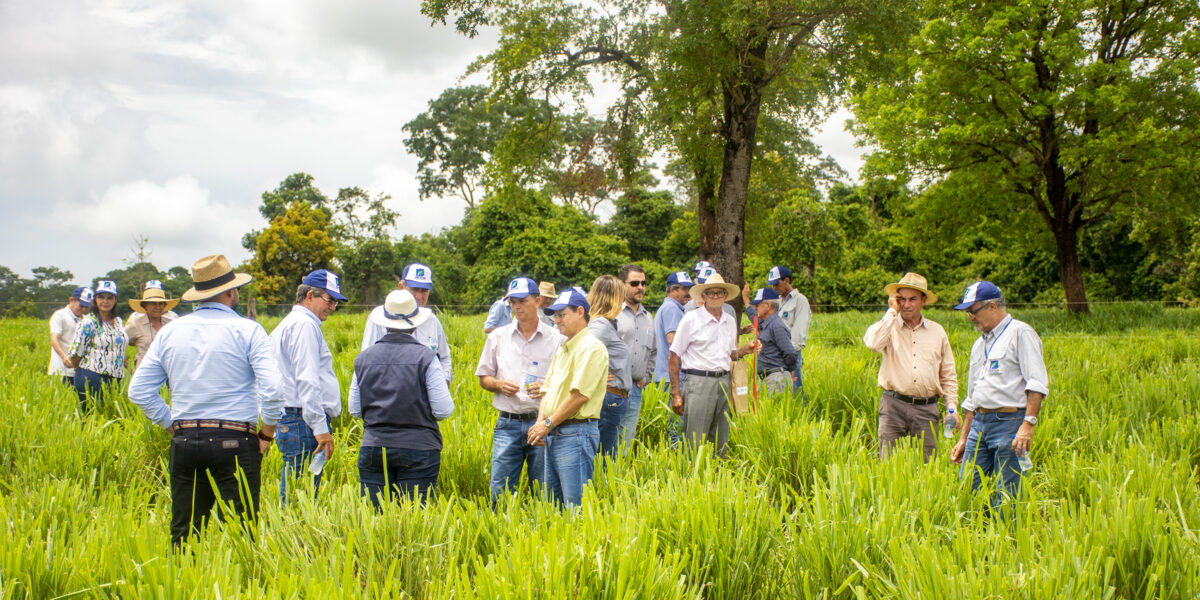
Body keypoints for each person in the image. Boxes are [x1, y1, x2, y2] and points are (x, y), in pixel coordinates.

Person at [127, 254, 283, 546]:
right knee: (241, 534)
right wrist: (267, 434)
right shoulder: (248, 330)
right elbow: (273, 389)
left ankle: (182, 574)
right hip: (236, 439)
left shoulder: (170, 332)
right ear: (230, 292)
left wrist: (171, 425)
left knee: (184, 533)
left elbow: (138, 391)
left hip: (186, 439)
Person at [950, 281, 1048, 516]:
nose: (970, 318)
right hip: (979, 425)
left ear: (992, 306)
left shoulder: (1020, 333)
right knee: (968, 488)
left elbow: (1036, 383)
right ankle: (976, 533)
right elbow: (972, 397)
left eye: (973, 311)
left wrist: (1028, 424)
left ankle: (1006, 534)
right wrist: (963, 438)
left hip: (1009, 424)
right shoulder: (979, 345)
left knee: (1008, 493)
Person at [350, 289, 454, 508]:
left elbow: (355, 409)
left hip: (374, 447)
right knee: (413, 516)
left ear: (385, 323)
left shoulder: (363, 358)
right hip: (419, 448)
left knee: (374, 517)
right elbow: (443, 409)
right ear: (415, 325)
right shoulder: (427, 358)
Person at [475, 277, 564, 500]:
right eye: (512, 301)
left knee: (544, 490)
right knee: (500, 488)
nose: (516, 306)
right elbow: (484, 377)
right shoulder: (498, 337)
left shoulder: (556, 339)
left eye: (522, 301)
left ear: (538, 301)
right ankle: (501, 521)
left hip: (542, 423)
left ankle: (542, 522)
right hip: (508, 422)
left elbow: (565, 382)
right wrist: (498, 384)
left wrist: (547, 388)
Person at [525, 287, 607, 509]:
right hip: (554, 432)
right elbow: (548, 390)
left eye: (562, 314)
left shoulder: (591, 348)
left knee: (575, 505)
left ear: (580, 312)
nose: (557, 320)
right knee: (553, 504)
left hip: (575, 433)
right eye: (555, 316)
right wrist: (541, 423)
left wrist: (547, 424)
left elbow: (579, 396)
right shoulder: (564, 348)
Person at [862, 273, 958, 462]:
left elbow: (948, 374)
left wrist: (951, 408)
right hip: (893, 405)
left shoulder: (937, 331)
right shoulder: (888, 326)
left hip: (926, 407)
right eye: (902, 299)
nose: (906, 304)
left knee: (928, 464)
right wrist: (892, 311)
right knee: (889, 464)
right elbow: (873, 344)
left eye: (912, 299)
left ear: (923, 300)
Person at [270, 269, 346, 504]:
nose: (332, 307)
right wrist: (319, 427)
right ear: (309, 296)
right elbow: (307, 379)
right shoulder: (304, 325)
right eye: (329, 300)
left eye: (335, 302)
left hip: (295, 419)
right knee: (300, 498)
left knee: (298, 492)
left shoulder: (290, 323)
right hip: (303, 421)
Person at [668, 272, 758, 456]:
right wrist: (676, 393)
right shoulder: (691, 319)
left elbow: (730, 355)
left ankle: (717, 473)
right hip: (699, 383)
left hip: (724, 381)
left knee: (720, 439)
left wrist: (745, 350)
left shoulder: (729, 321)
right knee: (695, 441)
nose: (715, 296)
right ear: (703, 296)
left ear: (725, 295)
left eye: (719, 292)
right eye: (711, 292)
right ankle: (693, 473)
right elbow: (674, 356)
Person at [361, 263, 452, 383]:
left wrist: (443, 383)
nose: (419, 296)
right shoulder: (379, 319)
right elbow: (366, 360)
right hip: (390, 390)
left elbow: (444, 357)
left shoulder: (432, 320)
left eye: (424, 291)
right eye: (414, 289)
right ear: (401, 287)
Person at [586, 275, 631, 457]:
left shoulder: (606, 324)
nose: (623, 302)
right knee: (604, 457)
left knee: (606, 453)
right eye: (621, 297)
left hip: (614, 397)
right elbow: (583, 353)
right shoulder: (600, 325)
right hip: (609, 397)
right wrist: (595, 379)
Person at [67, 280, 126, 413]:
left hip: (115, 376)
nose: (105, 301)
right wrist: (82, 370)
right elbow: (76, 353)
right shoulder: (88, 322)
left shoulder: (118, 321)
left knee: (110, 415)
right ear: (95, 300)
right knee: (91, 416)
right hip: (92, 375)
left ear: (115, 300)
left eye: (109, 298)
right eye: (101, 297)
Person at [616, 264, 655, 453]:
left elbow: (653, 351)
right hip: (612, 389)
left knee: (625, 442)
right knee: (607, 441)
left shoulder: (648, 317)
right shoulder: (612, 314)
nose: (640, 287)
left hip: (636, 389)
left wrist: (646, 377)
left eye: (643, 283)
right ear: (622, 284)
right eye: (634, 283)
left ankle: (620, 471)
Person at [766, 266, 811, 394]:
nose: (774, 287)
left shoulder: (800, 301)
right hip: (776, 355)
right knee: (780, 393)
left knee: (794, 392)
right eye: (772, 285)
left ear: (786, 280)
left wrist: (789, 356)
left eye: (776, 284)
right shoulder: (778, 302)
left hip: (791, 355)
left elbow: (799, 333)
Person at [748, 287, 796, 395]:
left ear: (768, 306)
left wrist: (789, 372)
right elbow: (754, 318)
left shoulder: (776, 325)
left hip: (777, 379)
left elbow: (790, 352)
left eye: (758, 304)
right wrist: (745, 298)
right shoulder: (766, 324)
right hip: (769, 378)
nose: (755, 308)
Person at [125, 280, 180, 370]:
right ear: (145, 305)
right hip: (145, 370)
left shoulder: (171, 322)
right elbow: (122, 341)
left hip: (168, 369)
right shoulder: (136, 323)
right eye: (153, 303)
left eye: (160, 304)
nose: (157, 307)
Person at [48, 287, 91, 386]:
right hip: (61, 370)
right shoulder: (60, 315)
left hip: (79, 371)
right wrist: (64, 357)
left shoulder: (86, 320)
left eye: (86, 307)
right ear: (71, 300)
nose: (83, 309)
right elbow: (54, 338)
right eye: (81, 306)